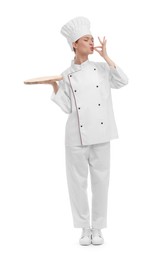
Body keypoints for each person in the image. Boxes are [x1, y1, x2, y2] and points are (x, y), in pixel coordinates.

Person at [49, 16, 128, 246]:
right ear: (74, 44)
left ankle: (98, 228)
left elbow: (123, 81)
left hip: (102, 134)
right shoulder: (65, 74)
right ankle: (84, 228)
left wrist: (107, 56)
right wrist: (55, 86)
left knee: (101, 182)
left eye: (92, 39)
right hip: (75, 135)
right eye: (87, 39)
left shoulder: (103, 69)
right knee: (77, 184)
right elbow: (66, 107)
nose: (92, 42)